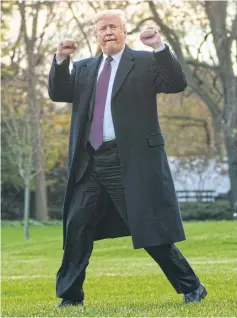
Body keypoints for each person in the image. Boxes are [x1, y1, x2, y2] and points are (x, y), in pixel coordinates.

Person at [48, 9, 207, 307]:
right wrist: (60, 59)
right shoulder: (83, 69)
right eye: (102, 28)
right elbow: (58, 93)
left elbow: (176, 83)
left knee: (148, 229)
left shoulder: (145, 63)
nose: (108, 32)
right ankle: (70, 298)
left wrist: (159, 47)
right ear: (95, 36)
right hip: (89, 162)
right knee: (76, 227)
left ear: (124, 31)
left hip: (129, 161)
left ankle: (192, 287)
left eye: (113, 27)